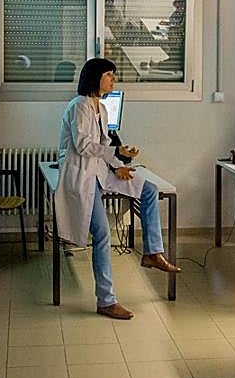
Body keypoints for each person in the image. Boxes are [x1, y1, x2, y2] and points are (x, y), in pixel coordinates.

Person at [53, 57, 180, 320]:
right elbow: (83, 147)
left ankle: (152, 252)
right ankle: (106, 300)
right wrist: (117, 151)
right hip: (80, 177)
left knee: (148, 190)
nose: (114, 80)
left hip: (98, 172)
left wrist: (117, 163)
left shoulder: (102, 108)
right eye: (109, 75)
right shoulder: (79, 107)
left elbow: (102, 147)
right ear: (95, 77)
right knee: (102, 236)